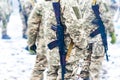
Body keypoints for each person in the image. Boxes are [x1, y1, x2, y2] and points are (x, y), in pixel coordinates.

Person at [62, 0, 115, 80]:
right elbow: (107, 18)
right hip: (98, 39)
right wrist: (112, 33)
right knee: (95, 66)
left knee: (85, 65)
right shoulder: (100, 1)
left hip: (85, 38)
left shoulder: (80, 2)